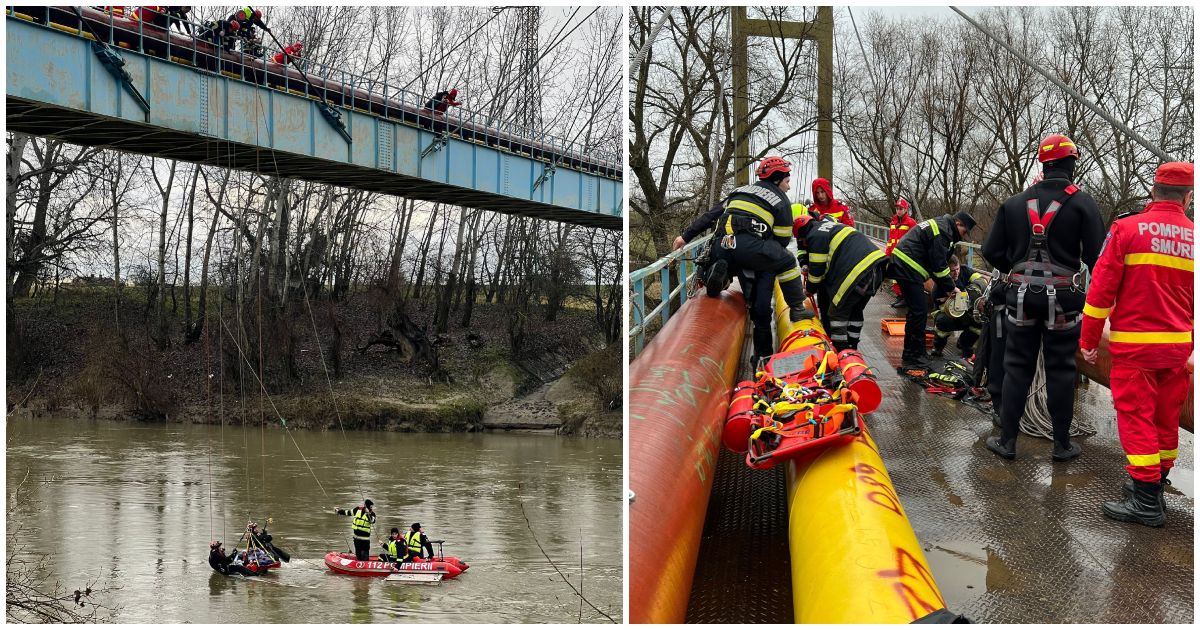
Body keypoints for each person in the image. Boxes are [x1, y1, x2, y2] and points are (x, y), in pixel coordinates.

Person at [1082, 162, 1193, 527]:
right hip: (1178, 350)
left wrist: (1088, 340)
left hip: (1135, 348)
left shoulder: (1126, 229)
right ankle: (1155, 487)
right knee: (1165, 420)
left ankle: (1145, 502)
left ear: (1152, 191)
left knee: (1137, 419)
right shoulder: (1194, 238)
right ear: (1188, 197)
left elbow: (1100, 291)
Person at [982, 134, 1104, 462]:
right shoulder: (1083, 203)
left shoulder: (1013, 203)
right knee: (1061, 369)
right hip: (1064, 301)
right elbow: (1098, 258)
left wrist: (1016, 270)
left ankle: (1007, 441)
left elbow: (990, 250)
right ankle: (1061, 444)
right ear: (1071, 163)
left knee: (1016, 366)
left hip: (1019, 297)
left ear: (1044, 164)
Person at [672, 157, 813, 334]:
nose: (789, 186)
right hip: (751, 250)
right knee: (787, 260)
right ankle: (797, 309)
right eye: (787, 181)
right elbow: (783, 240)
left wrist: (685, 237)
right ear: (777, 180)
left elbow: (711, 216)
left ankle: (718, 275)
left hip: (721, 246)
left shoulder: (738, 191)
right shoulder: (780, 199)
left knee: (728, 259)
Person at [889, 211, 976, 373]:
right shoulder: (943, 231)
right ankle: (913, 357)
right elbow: (939, 266)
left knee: (917, 312)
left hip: (905, 264)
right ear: (958, 224)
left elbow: (937, 265)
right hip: (907, 265)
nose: (964, 236)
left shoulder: (943, 227)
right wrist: (952, 288)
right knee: (919, 312)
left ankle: (915, 353)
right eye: (964, 231)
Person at [793, 212, 886, 351]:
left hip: (858, 271)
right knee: (855, 309)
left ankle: (841, 352)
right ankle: (853, 348)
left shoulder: (815, 236)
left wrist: (809, 290)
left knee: (836, 312)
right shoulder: (830, 226)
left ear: (802, 235)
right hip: (877, 266)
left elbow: (817, 270)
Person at [931, 255, 986, 359]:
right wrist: (951, 300)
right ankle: (938, 348)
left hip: (967, 311)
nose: (956, 273)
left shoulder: (965, 270)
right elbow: (942, 306)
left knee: (979, 322)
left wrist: (973, 288)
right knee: (943, 322)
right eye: (952, 271)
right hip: (949, 315)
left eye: (957, 269)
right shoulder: (940, 284)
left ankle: (965, 343)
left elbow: (981, 281)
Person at [886, 198, 918, 308]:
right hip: (894, 254)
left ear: (905, 210)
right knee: (896, 278)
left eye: (901, 209)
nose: (898, 210)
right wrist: (887, 254)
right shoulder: (893, 222)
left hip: (905, 256)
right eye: (897, 208)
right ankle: (899, 296)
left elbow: (916, 240)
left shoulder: (911, 222)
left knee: (903, 278)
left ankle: (905, 298)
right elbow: (890, 240)